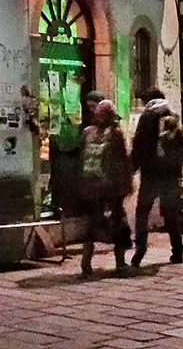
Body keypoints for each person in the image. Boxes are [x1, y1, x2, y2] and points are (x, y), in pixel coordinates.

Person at [77, 99, 133, 277]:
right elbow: (122, 161)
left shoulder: (87, 132)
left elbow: (80, 160)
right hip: (111, 187)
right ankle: (120, 262)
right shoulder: (115, 134)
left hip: (91, 186)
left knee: (92, 223)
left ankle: (86, 263)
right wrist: (127, 184)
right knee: (119, 222)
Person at [132, 108, 183, 267]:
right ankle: (178, 251)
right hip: (169, 179)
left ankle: (139, 253)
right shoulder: (175, 127)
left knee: (142, 214)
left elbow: (139, 148)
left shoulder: (147, 120)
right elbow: (180, 157)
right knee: (171, 216)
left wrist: (134, 166)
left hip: (151, 177)